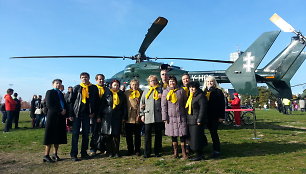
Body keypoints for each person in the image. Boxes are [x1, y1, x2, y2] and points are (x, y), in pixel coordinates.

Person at [69, 72, 99, 161]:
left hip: (87, 115)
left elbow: (96, 101)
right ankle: (73, 154)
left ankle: (84, 153)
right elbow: (71, 102)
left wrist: (93, 112)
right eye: (82, 77)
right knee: (75, 135)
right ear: (80, 78)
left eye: (86, 77)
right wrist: (70, 114)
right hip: (77, 114)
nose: (84, 79)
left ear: (89, 78)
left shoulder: (93, 88)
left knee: (86, 135)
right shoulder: (77, 88)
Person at [161, 76, 188, 159]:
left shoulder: (181, 91)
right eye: (170, 82)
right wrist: (164, 117)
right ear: (168, 83)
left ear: (176, 82)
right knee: (173, 135)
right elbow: (163, 105)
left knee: (182, 135)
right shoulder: (165, 92)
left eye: (173, 81)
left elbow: (185, 103)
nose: (172, 83)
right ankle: (175, 152)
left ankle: (184, 152)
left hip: (181, 116)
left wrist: (187, 114)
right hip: (170, 117)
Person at [100, 79, 127, 157]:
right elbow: (102, 105)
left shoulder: (121, 94)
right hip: (107, 116)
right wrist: (100, 115)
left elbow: (124, 106)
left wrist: (124, 116)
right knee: (108, 134)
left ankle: (116, 151)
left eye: (118, 85)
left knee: (116, 134)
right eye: (115, 85)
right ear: (111, 85)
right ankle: (109, 151)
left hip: (117, 116)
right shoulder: (107, 93)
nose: (116, 86)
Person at [43, 79, 68, 163]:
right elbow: (49, 104)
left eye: (60, 84)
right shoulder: (50, 92)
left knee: (58, 136)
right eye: (57, 83)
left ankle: (55, 154)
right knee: (50, 135)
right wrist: (60, 110)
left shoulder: (61, 93)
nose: (58, 85)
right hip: (52, 116)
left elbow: (64, 103)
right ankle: (46, 155)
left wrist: (65, 110)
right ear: (53, 84)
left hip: (60, 117)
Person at [140, 75, 163, 158]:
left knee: (158, 135)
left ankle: (157, 151)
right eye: (151, 81)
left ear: (157, 81)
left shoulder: (160, 90)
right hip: (148, 115)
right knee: (147, 135)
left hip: (158, 116)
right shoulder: (146, 91)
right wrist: (142, 114)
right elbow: (142, 103)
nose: (152, 82)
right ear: (148, 82)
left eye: (154, 80)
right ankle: (147, 152)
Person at [203, 75, 225, 158]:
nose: (209, 83)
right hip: (205, 116)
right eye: (208, 82)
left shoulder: (218, 92)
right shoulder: (203, 92)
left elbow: (222, 105)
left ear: (214, 82)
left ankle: (216, 150)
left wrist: (221, 116)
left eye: (211, 81)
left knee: (214, 133)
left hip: (215, 116)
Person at [89, 74, 111, 156]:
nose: (101, 81)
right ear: (96, 80)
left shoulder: (107, 90)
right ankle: (93, 148)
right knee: (95, 131)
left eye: (102, 79)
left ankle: (102, 147)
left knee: (104, 131)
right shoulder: (93, 89)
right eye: (99, 79)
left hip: (104, 113)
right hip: (95, 113)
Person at [185, 81, 208, 161]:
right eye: (190, 87)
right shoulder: (191, 96)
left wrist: (199, 119)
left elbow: (203, 109)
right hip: (190, 120)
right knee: (193, 138)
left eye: (193, 87)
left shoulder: (200, 96)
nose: (191, 89)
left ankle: (199, 154)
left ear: (197, 87)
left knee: (196, 139)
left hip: (196, 121)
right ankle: (199, 153)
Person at [124, 79, 143, 156]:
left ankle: (137, 150)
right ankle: (130, 149)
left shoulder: (141, 92)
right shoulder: (126, 93)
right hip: (129, 116)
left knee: (137, 135)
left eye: (136, 84)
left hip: (137, 115)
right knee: (129, 135)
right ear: (130, 85)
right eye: (133, 84)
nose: (134, 86)